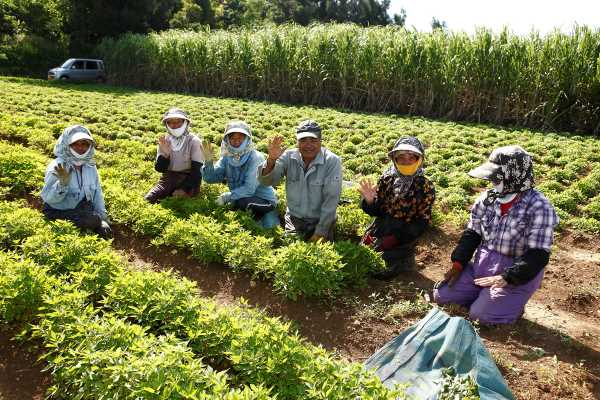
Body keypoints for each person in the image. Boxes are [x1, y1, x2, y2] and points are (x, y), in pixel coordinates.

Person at [434, 145, 559, 325]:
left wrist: (507, 277)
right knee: (442, 296)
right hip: (483, 264)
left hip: (516, 271)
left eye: (497, 176)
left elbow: (538, 255)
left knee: (481, 316)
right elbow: (473, 233)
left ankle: (508, 305)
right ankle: (486, 297)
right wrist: (459, 262)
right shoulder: (488, 198)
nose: (492, 181)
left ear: (514, 176)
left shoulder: (539, 206)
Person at [358, 136, 436, 279]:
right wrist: (369, 202)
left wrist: (396, 238)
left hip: (405, 233)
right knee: (362, 256)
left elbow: (422, 222)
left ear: (419, 160)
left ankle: (405, 260)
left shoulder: (425, 186)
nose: (406, 162)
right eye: (401, 158)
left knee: (381, 270)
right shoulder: (387, 179)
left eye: (411, 158)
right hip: (382, 226)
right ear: (395, 159)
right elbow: (379, 210)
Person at [258, 120, 342, 241]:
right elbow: (267, 182)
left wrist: (321, 232)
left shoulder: (332, 161)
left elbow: (331, 199)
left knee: (319, 254)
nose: (308, 145)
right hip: (294, 218)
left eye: (313, 140)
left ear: (320, 141)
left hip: (321, 219)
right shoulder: (288, 156)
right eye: (303, 140)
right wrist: (271, 160)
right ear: (297, 142)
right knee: (291, 248)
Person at [201, 120, 280, 228]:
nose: (236, 141)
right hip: (242, 198)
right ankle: (252, 220)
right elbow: (211, 178)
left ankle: (261, 219)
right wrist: (208, 162)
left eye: (240, 137)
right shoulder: (227, 157)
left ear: (247, 139)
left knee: (242, 204)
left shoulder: (255, 158)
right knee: (239, 204)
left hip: (265, 200)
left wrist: (225, 197)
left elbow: (249, 189)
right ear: (227, 140)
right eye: (232, 137)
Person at [41, 125, 111, 238]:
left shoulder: (90, 166)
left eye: (84, 144)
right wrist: (62, 185)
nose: (80, 147)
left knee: (105, 230)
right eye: (75, 143)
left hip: (81, 209)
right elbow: (49, 199)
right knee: (92, 220)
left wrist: (103, 218)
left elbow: (98, 193)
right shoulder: (58, 166)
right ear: (67, 144)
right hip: (59, 210)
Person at [144, 107, 204, 203]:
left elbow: (197, 172)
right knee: (148, 199)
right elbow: (160, 169)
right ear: (167, 124)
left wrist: (184, 189)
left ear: (185, 123)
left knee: (176, 200)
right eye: (170, 122)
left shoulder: (194, 141)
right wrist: (165, 156)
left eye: (178, 121)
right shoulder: (165, 141)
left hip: (188, 179)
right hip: (168, 178)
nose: (174, 125)